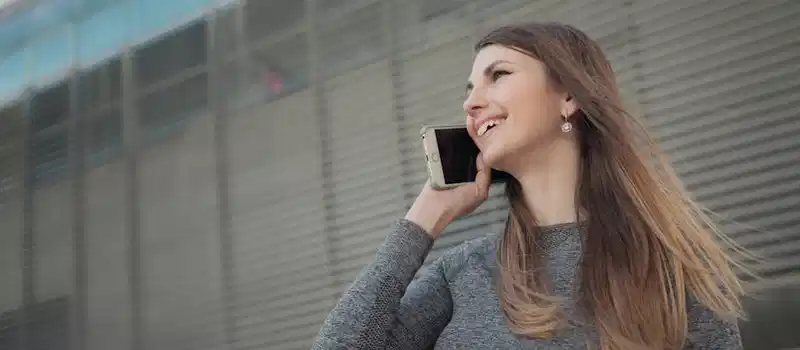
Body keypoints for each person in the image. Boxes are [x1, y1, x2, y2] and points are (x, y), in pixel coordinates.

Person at [311, 22, 746, 350]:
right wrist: (425, 217)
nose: (471, 101)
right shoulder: (463, 272)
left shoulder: (668, 266)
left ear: (569, 97)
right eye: (469, 88)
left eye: (498, 74)